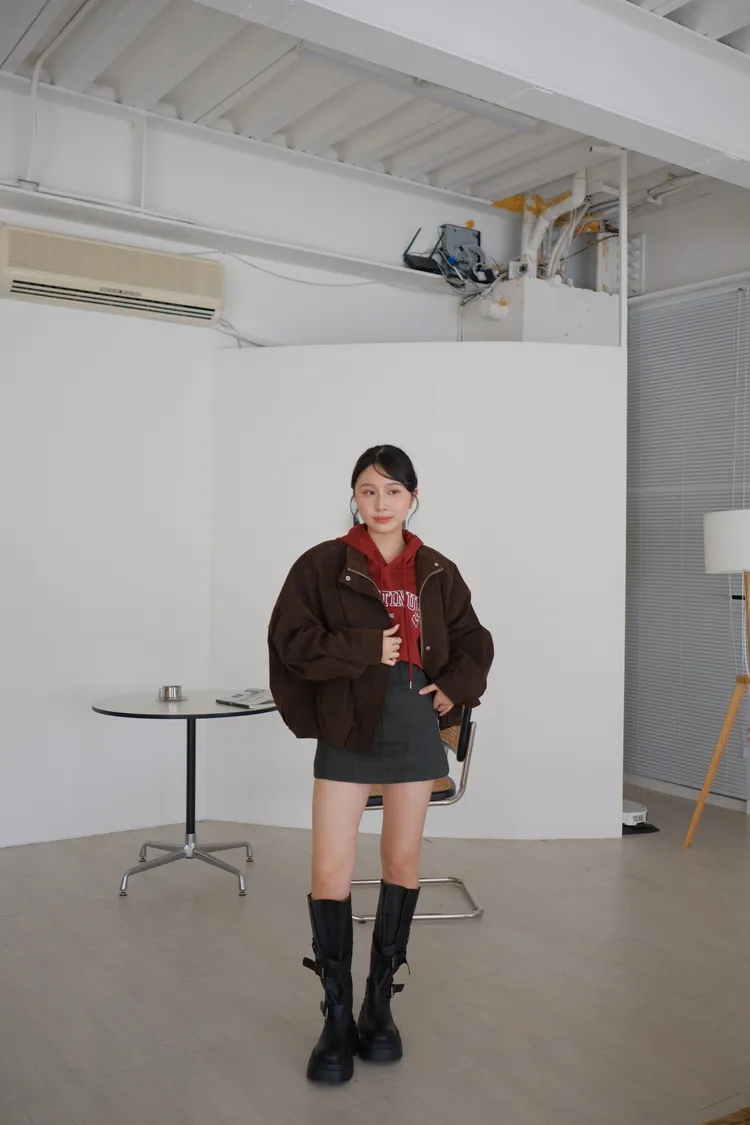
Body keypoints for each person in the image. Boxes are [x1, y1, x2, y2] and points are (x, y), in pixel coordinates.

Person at [268, 444, 493, 1084]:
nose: (381, 503)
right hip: (348, 720)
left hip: (414, 721)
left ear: (413, 498)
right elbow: (290, 641)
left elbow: (475, 638)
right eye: (368, 491)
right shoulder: (322, 564)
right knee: (329, 867)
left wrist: (454, 686)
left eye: (393, 491)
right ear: (355, 498)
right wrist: (368, 647)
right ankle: (337, 1015)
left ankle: (379, 1005)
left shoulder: (437, 569)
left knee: (401, 861)